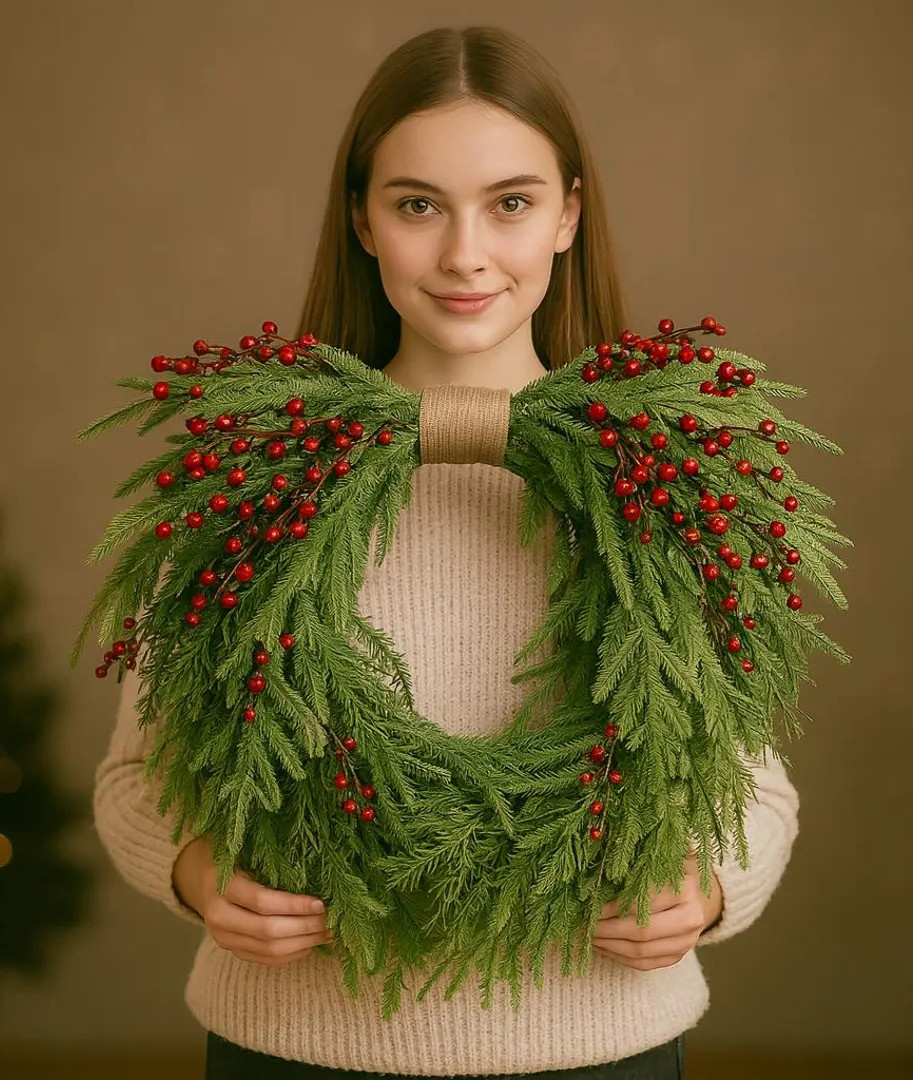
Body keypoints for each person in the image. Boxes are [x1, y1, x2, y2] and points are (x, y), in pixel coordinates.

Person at [92, 23, 800, 1080]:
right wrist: (196, 871)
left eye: (510, 203)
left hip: (598, 1048)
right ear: (363, 221)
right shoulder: (257, 483)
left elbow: (755, 787)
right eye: (418, 205)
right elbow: (135, 778)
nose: (465, 253)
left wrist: (703, 892)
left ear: (567, 216)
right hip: (298, 1049)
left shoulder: (661, 485)